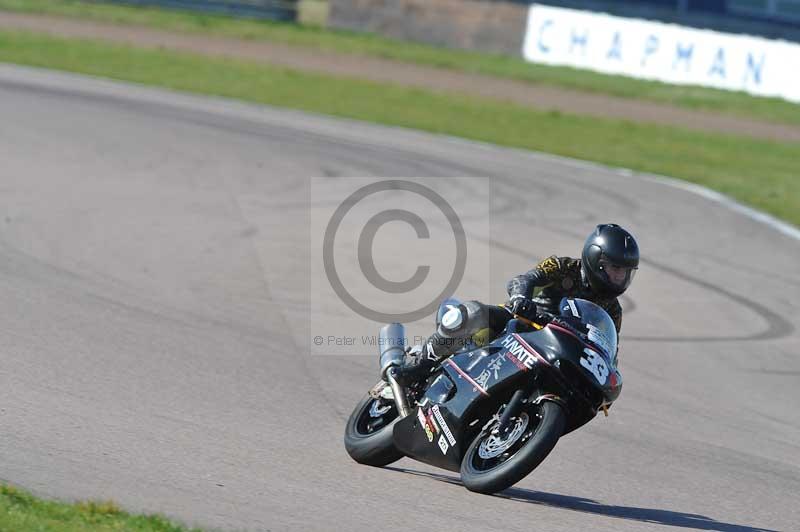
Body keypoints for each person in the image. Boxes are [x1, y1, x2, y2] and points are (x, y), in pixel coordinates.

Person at [395, 223, 639, 384]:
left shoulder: (613, 310)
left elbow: (608, 351)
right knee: (474, 313)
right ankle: (422, 362)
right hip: (521, 323)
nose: (620, 277)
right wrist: (521, 299)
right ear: (596, 258)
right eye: (615, 268)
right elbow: (524, 279)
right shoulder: (563, 266)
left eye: (626, 272)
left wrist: (608, 376)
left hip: (555, 350)